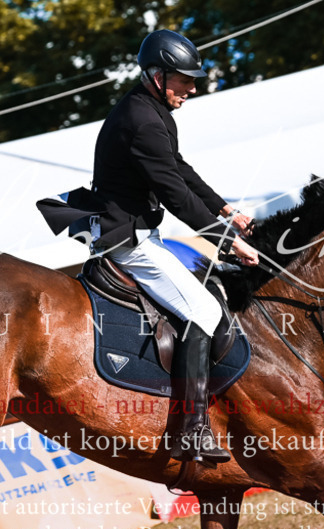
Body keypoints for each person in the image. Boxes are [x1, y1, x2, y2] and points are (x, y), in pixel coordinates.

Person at [91, 29, 259, 465]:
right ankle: (190, 429)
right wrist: (228, 244)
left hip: (142, 232)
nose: (193, 87)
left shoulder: (152, 110)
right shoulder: (142, 120)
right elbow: (173, 194)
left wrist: (224, 210)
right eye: (185, 79)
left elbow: (180, 170)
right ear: (157, 75)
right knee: (204, 312)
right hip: (129, 241)